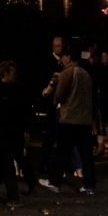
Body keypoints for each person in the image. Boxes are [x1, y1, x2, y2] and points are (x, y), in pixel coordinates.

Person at [44, 48, 97, 192]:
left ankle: (55, 183)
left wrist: (55, 99)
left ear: (68, 57)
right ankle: (89, 185)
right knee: (86, 155)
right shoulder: (86, 74)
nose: (60, 61)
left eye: (61, 57)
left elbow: (59, 95)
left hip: (69, 119)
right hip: (85, 120)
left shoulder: (68, 73)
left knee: (62, 153)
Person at [0, 58, 31, 204]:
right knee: (8, 165)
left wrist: (24, 129)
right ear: (5, 74)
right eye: (13, 72)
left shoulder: (15, 90)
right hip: (2, 134)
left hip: (12, 133)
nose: (15, 75)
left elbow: (21, 113)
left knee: (0, 164)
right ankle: (12, 196)